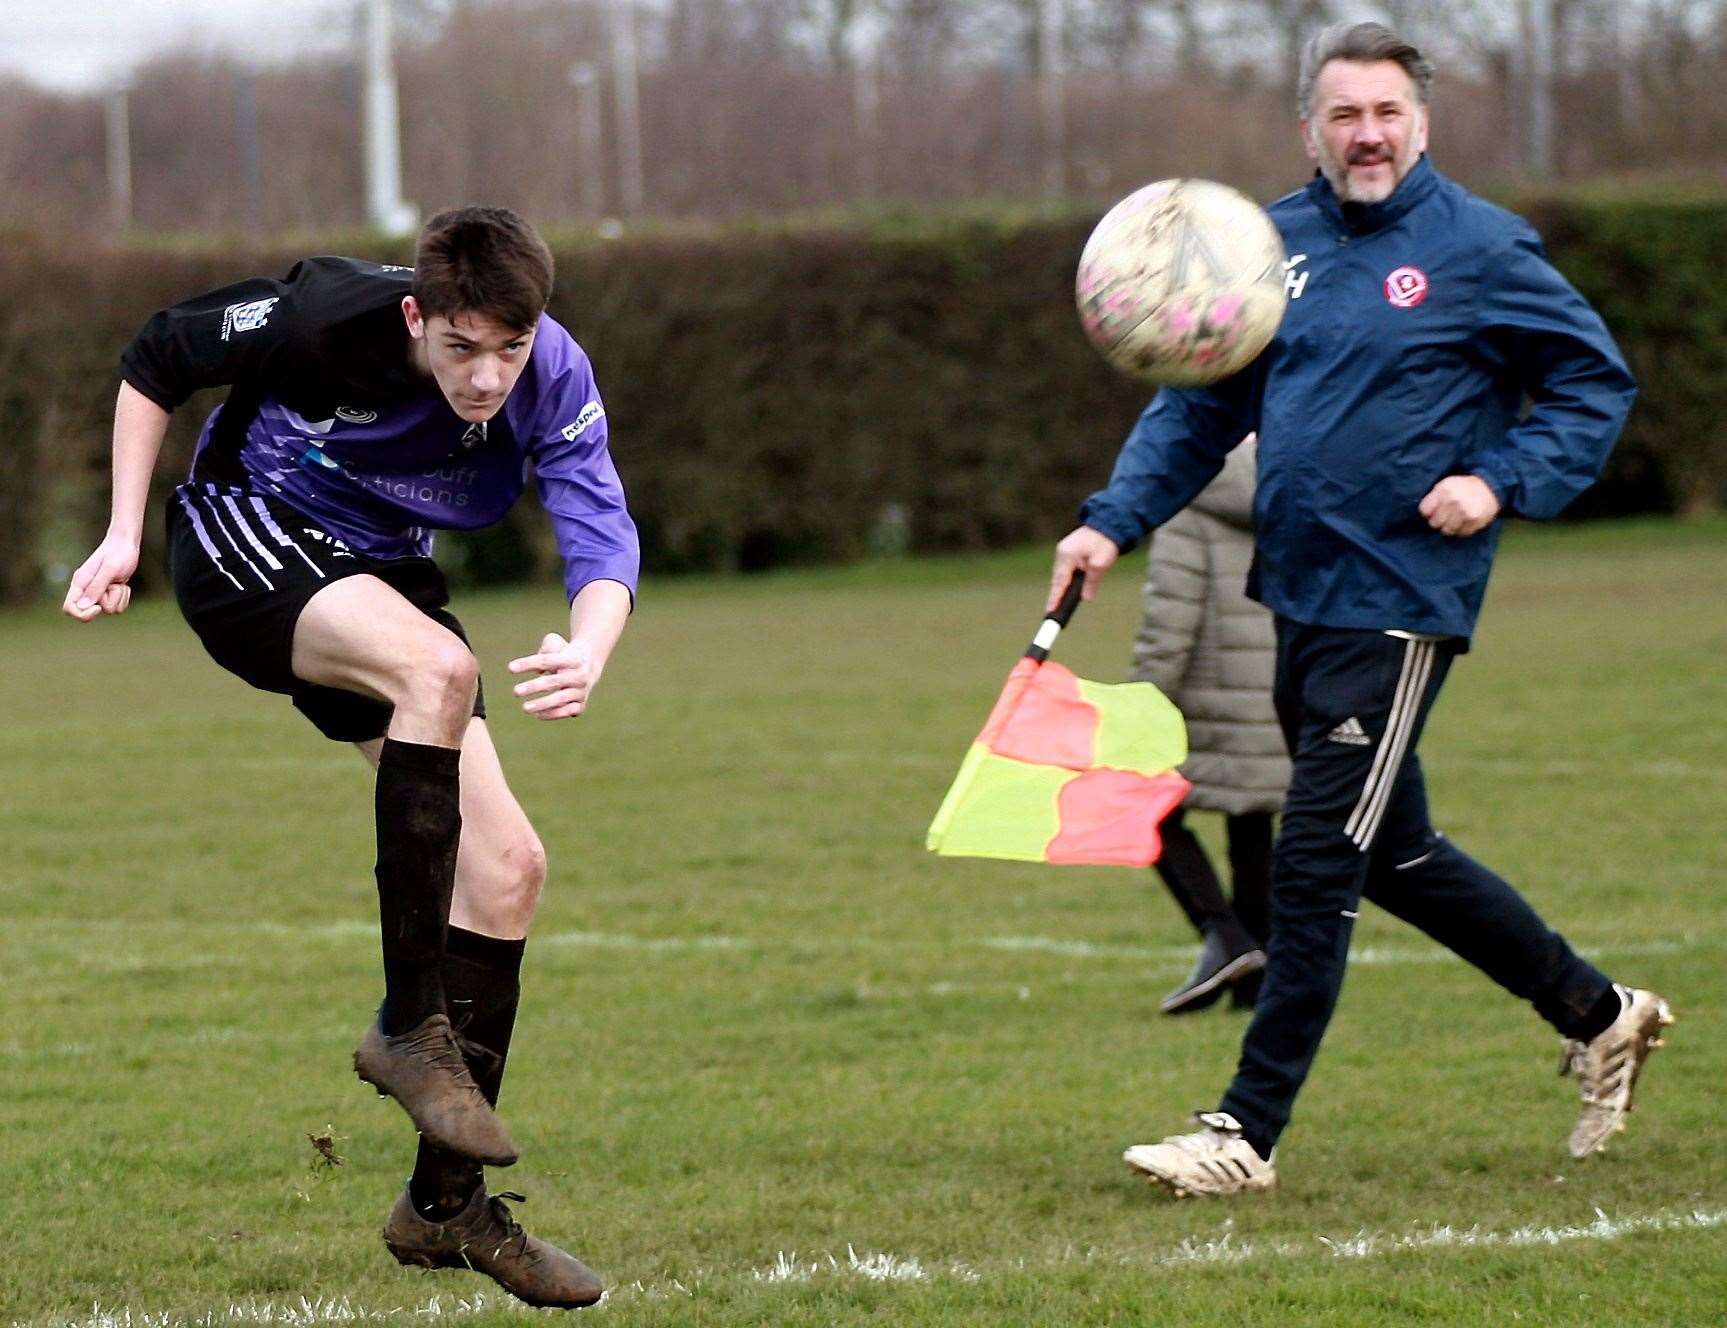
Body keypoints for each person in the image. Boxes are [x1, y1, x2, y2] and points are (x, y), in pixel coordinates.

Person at [1049, 22, 1671, 1197]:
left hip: (1400, 602)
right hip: (1298, 591)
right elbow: (1195, 411)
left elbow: (1594, 380)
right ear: (1310, 129)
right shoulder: (1266, 247)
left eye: (1385, 112)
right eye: (1344, 115)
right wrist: (1108, 519)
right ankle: (1598, 1013)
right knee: (1395, 851)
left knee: (1314, 862)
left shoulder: (1480, 249)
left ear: (1419, 123)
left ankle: (1243, 1128)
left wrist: (1498, 479)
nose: (1366, 134)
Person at [63, 207, 630, 1304]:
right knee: (438, 671)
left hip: (373, 578)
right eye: (460, 348)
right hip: (245, 534)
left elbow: (602, 530)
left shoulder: (551, 372)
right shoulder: (326, 316)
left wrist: (591, 645)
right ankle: (408, 1024)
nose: (485, 377)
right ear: (417, 316)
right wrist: (124, 531)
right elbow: (154, 357)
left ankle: (444, 1204)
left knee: (508, 868)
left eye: (507, 350)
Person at [1131, 436, 1288, 1015]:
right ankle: (1255, 980)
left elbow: (1170, 621)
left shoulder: (1186, 500)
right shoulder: (1290, 485)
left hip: (1203, 694)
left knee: (1143, 805)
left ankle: (1223, 936)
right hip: (1276, 685)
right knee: (1251, 826)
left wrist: (1141, 704)